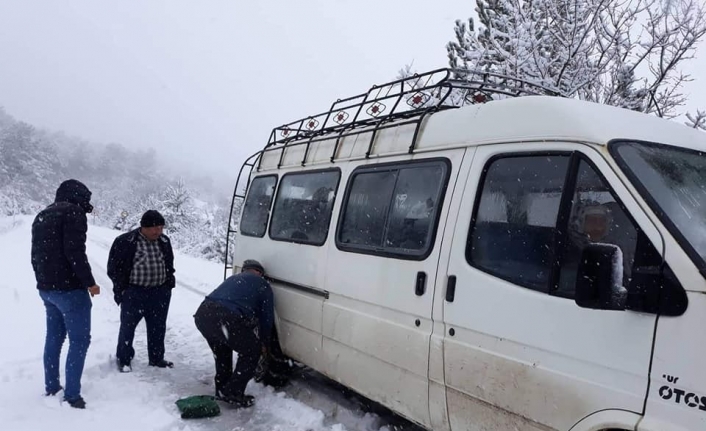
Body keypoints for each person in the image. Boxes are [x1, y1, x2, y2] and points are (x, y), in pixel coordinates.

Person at [31, 179, 101, 409]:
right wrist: (90, 283)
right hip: (70, 291)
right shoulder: (74, 213)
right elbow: (75, 252)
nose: (86, 205)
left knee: (54, 339)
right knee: (79, 341)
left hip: (47, 290)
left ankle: (52, 386)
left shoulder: (41, 215)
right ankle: (72, 395)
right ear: (78, 196)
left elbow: (35, 256)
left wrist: (43, 282)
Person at [193, 259, 274, 408]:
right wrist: (263, 342)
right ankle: (234, 392)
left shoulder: (233, 278)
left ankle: (222, 389)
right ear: (259, 273)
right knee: (251, 351)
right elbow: (266, 318)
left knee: (222, 350)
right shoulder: (263, 284)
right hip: (226, 317)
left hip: (203, 314)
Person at [107, 210, 176, 372]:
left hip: (159, 293)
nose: (157, 232)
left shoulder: (164, 241)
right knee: (128, 328)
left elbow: (169, 265)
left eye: (160, 228)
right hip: (134, 293)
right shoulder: (125, 241)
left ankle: (157, 358)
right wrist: (122, 290)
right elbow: (114, 269)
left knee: (158, 327)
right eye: (154, 228)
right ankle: (124, 359)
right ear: (143, 227)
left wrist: (168, 285)